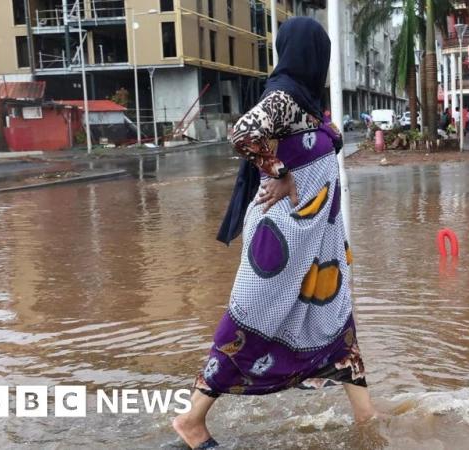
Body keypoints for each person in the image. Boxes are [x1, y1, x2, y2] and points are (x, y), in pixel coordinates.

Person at [173, 17, 375, 449]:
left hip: (317, 241)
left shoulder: (306, 102)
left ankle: (367, 420)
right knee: (249, 320)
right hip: (280, 239)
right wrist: (279, 171)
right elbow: (244, 132)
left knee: (336, 323)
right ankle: (192, 420)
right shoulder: (283, 96)